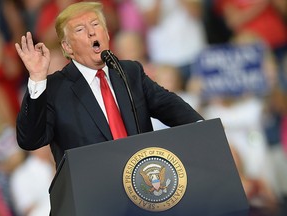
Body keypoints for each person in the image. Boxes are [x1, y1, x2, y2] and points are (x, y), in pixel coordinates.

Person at [15, 1, 204, 168]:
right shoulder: (55, 89)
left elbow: (170, 107)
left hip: (143, 184)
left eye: (96, 25)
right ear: (67, 47)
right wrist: (38, 78)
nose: (91, 32)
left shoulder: (129, 72)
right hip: (93, 195)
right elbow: (31, 139)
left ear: (106, 33)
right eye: (80, 29)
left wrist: (203, 129)